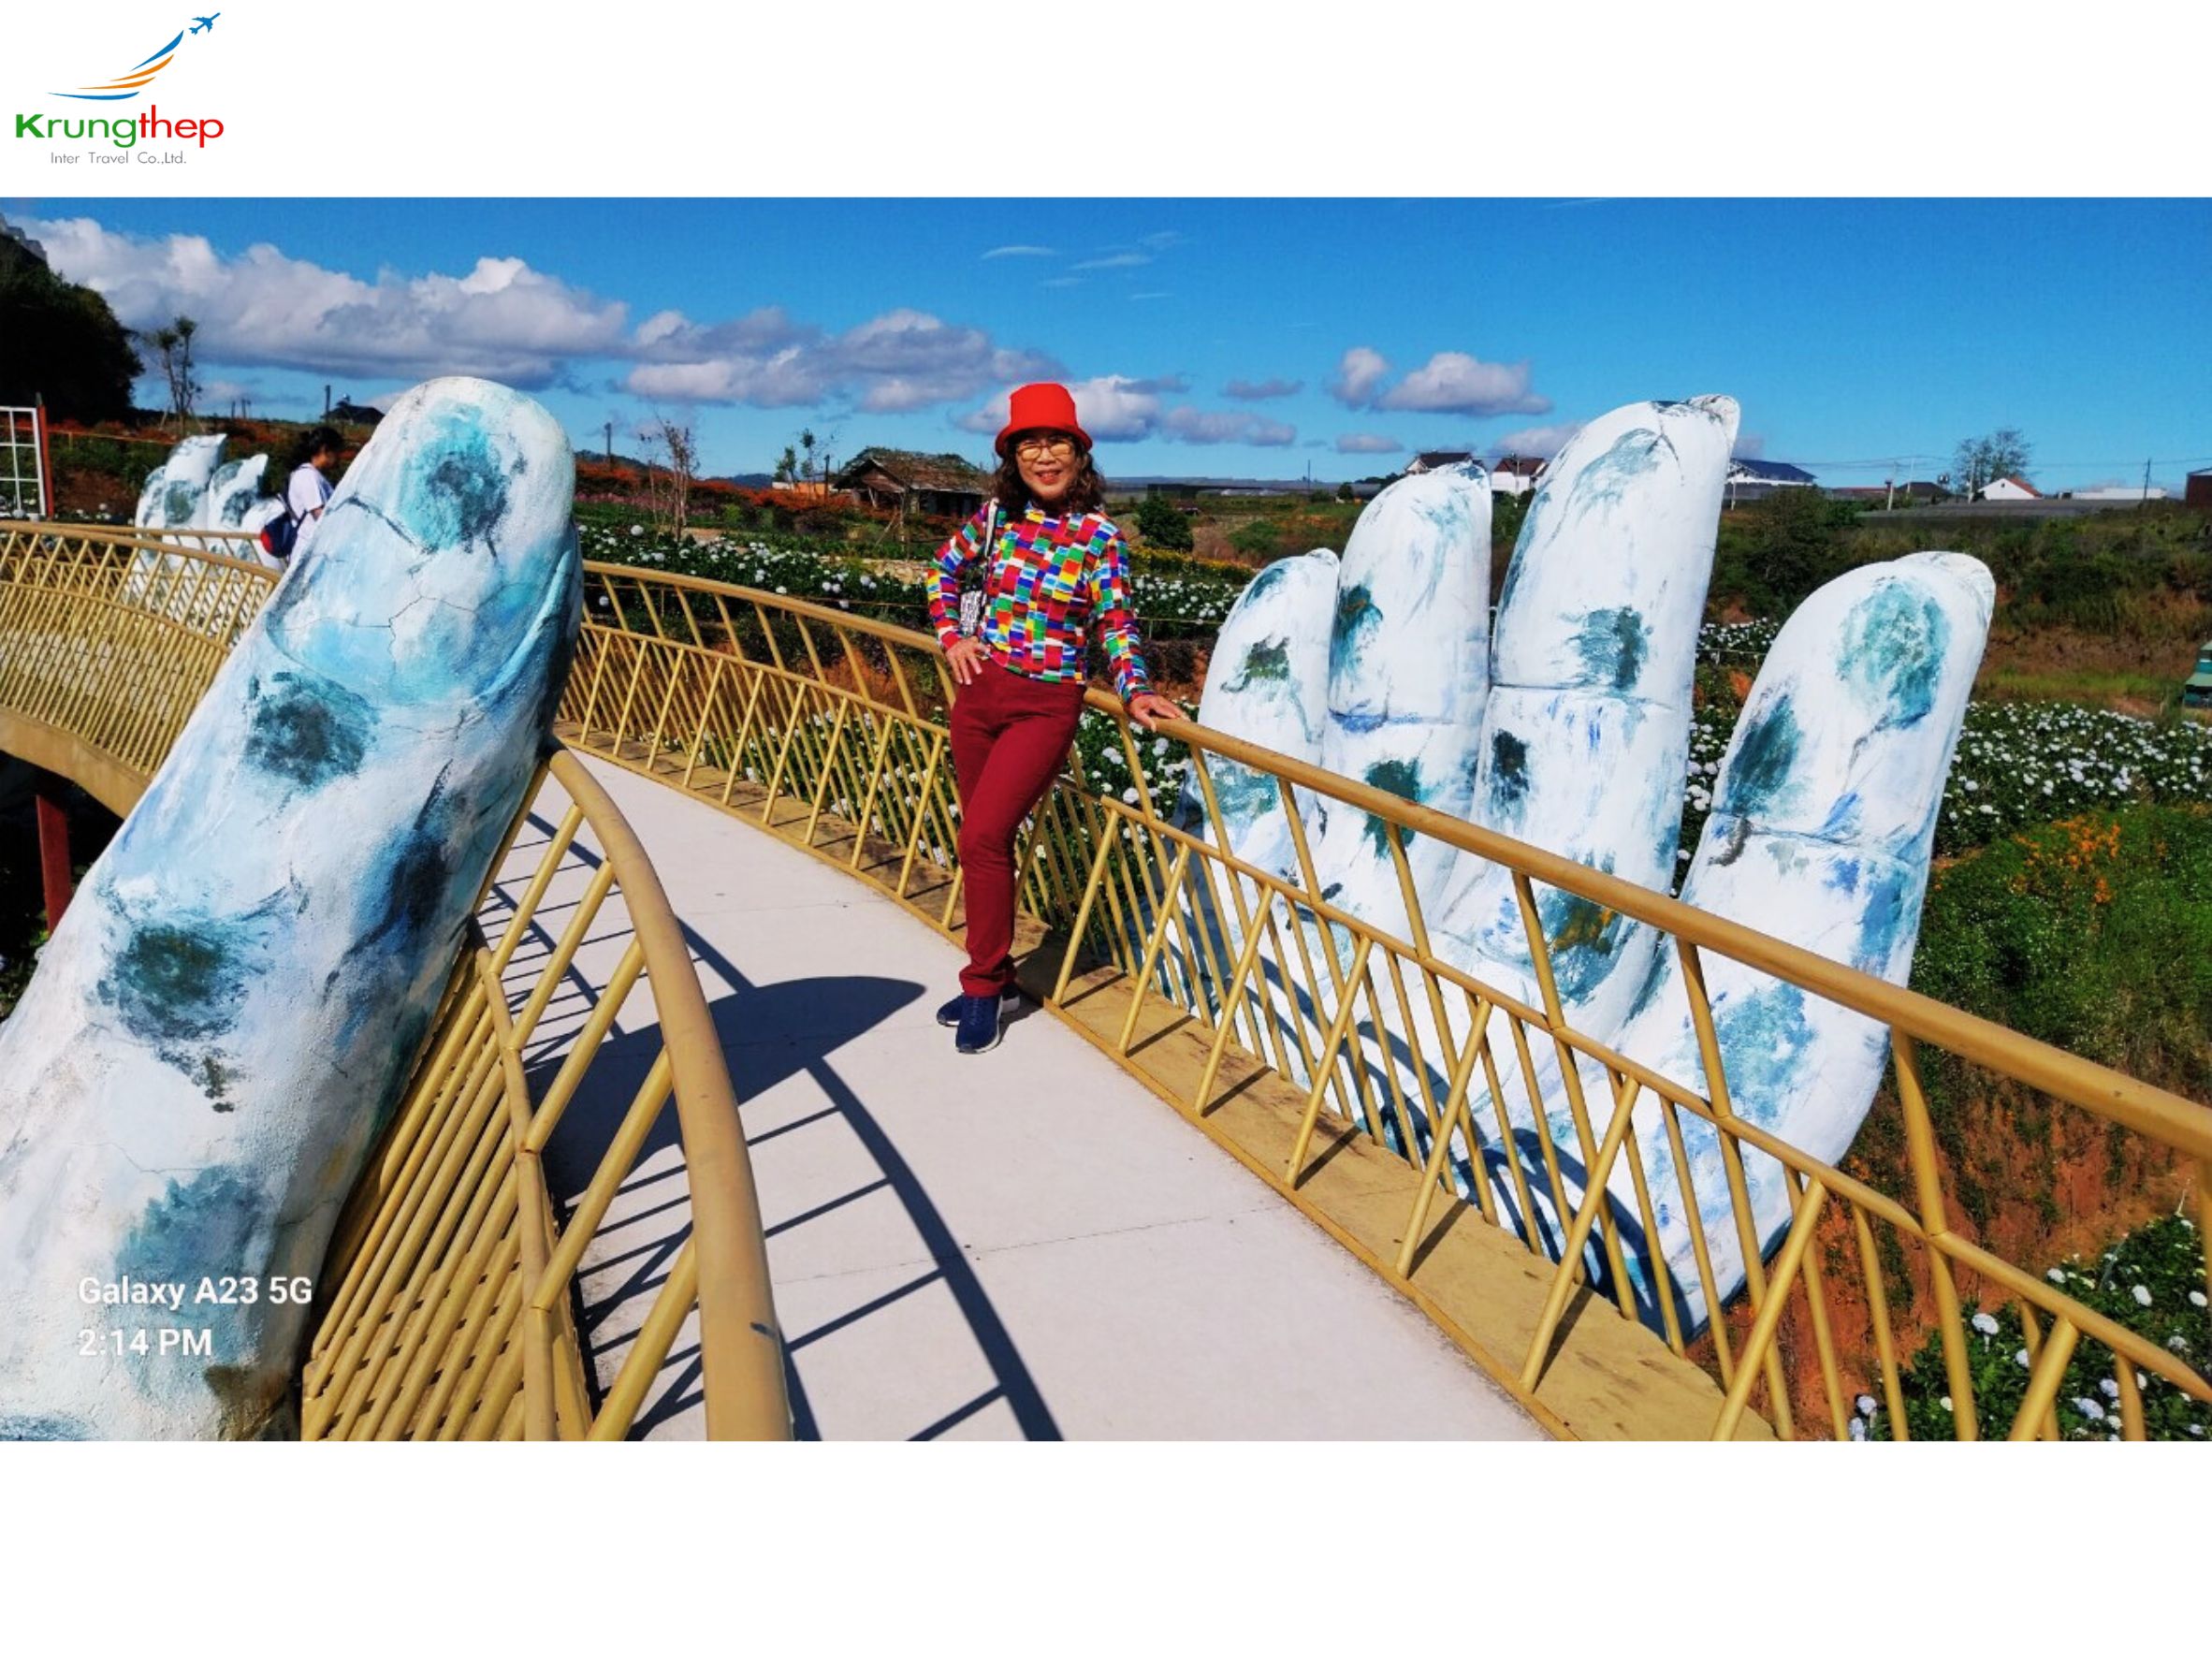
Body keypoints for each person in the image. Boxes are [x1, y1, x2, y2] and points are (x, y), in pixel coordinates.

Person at [928, 382, 1183, 1056]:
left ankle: (983, 985)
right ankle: (1001, 979)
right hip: (979, 695)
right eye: (1030, 444)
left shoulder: (1100, 538)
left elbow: (1115, 621)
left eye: (1056, 443)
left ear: (1078, 453)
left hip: (1046, 703)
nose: (1044, 456)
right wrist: (952, 637)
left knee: (983, 835)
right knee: (981, 842)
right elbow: (940, 573)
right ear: (1013, 457)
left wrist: (1134, 689)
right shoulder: (994, 519)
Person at [282, 426, 341, 560]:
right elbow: (319, 514)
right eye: (337, 452)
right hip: (309, 553)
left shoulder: (308, 474)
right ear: (325, 450)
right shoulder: (308, 476)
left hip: (311, 551)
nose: (338, 458)